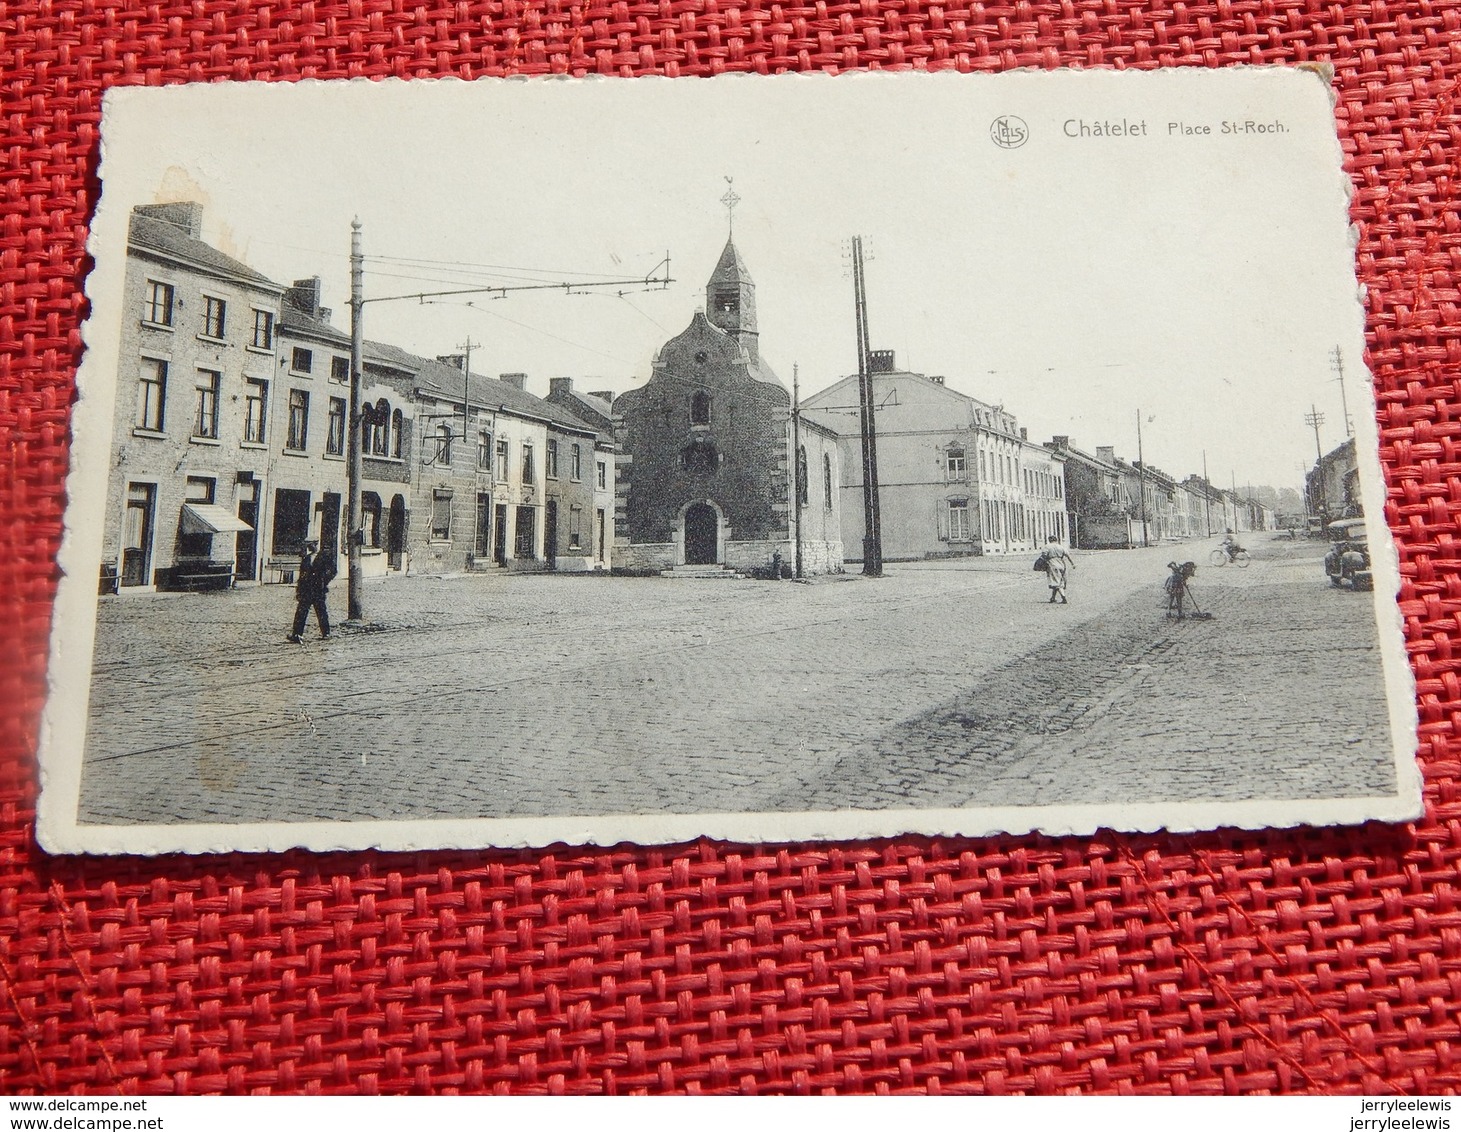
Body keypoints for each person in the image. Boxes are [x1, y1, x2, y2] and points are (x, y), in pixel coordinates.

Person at [287, 540, 336, 643]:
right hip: (307, 590)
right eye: (308, 546)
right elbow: (302, 575)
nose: (310, 547)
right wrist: (299, 590)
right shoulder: (306, 558)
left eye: (311, 545)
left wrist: (324, 581)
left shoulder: (325, 557)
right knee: (301, 611)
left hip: (319, 589)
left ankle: (326, 633)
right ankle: (297, 634)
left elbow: (333, 571)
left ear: (316, 544)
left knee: (321, 611)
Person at [1041, 535, 1074, 604]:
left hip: (1053, 565)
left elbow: (1043, 556)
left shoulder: (1047, 547)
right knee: (1058, 581)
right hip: (1062, 564)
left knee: (1056, 582)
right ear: (1056, 540)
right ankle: (1053, 598)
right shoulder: (1061, 547)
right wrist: (1073, 564)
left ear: (1049, 540)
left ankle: (1064, 598)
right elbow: (1068, 555)